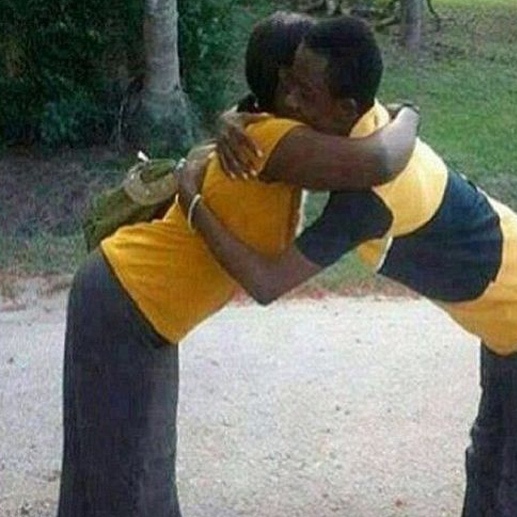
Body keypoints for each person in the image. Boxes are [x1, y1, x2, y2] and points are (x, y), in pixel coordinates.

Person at [177, 15, 517, 517]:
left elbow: (265, 282)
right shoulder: (363, 129)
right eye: (288, 83)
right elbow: (280, 112)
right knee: (488, 464)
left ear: (346, 108)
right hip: (508, 317)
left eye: (305, 93)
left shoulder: (367, 200)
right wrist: (232, 117)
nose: (290, 102)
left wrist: (192, 201)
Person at [56, 11, 419, 517]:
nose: (301, 94)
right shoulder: (275, 141)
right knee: (129, 484)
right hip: (125, 302)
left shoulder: (257, 127)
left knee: (114, 475)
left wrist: (226, 120)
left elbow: (344, 117)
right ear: (281, 83)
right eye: (296, 81)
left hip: (130, 303)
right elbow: (381, 159)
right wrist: (411, 112)